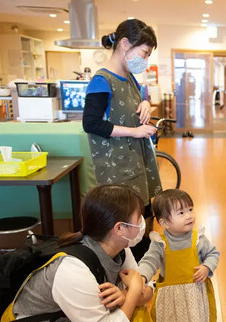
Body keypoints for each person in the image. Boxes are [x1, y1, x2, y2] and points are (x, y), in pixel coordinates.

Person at [0, 184, 166, 322]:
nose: (143, 222)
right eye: (138, 217)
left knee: (135, 316)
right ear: (119, 228)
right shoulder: (72, 270)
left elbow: (146, 286)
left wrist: (128, 294)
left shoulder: (119, 248)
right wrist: (130, 294)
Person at [82, 18, 161, 261]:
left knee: (142, 222)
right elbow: (91, 123)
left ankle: (141, 280)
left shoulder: (128, 77)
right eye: (144, 53)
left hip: (136, 163)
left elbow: (135, 102)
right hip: (118, 170)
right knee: (126, 230)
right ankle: (129, 283)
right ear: (125, 44)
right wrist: (134, 131)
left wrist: (145, 103)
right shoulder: (102, 81)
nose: (145, 61)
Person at [137, 189, 220, 322]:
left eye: (190, 209)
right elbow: (150, 260)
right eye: (181, 213)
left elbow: (213, 254)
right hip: (170, 296)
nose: (189, 216)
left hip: (193, 294)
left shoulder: (198, 238)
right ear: (164, 222)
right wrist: (142, 275)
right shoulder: (160, 242)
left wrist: (207, 267)